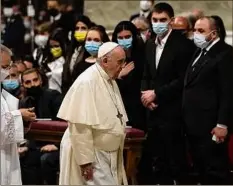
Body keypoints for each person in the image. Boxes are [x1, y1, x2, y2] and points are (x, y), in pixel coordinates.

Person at [138, 2, 196, 184]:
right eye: (155, 20)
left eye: (162, 20)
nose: (158, 23)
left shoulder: (184, 45)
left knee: (176, 163)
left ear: (170, 21)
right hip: (153, 112)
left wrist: (156, 94)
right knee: (158, 162)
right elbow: (146, 74)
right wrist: (145, 95)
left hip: (173, 112)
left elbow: (182, 80)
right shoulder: (149, 45)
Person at [58, 42, 128, 185]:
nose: (123, 66)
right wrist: (85, 161)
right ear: (105, 61)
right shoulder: (87, 81)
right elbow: (79, 125)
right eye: (120, 62)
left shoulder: (109, 78)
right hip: (92, 153)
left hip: (106, 153)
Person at [183, 16, 233, 185]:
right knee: (201, 170)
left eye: (201, 31)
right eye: (195, 30)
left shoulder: (225, 53)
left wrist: (222, 124)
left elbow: (228, 92)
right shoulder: (199, 50)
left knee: (215, 171)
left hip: (211, 125)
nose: (196, 34)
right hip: (194, 124)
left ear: (213, 33)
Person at [19, 68, 63, 185]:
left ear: (41, 81)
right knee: (25, 159)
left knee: (46, 160)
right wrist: (25, 146)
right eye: (28, 82)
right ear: (23, 85)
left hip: (57, 145)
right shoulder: (24, 103)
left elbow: (65, 125)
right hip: (36, 146)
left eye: (35, 80)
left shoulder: (54, 96)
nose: (33, 85)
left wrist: (56, 145)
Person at [0, 44, 36, 185]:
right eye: (4, 67)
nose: (7, 71)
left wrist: (22, 119)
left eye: (9, 66)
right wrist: (19, 114)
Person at [112, 21, 146, 131]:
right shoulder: (112, 58)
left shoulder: (143, 56)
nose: (124, 40)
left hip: (138, 111)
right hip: (117, 110)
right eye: (120, 37)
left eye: (127, 37)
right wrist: (119, 76)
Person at [61, 15, 93, 94]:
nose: (80, 31)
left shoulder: (91, 49)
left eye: (83, 28)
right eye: (77, 28)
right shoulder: (71, 50)